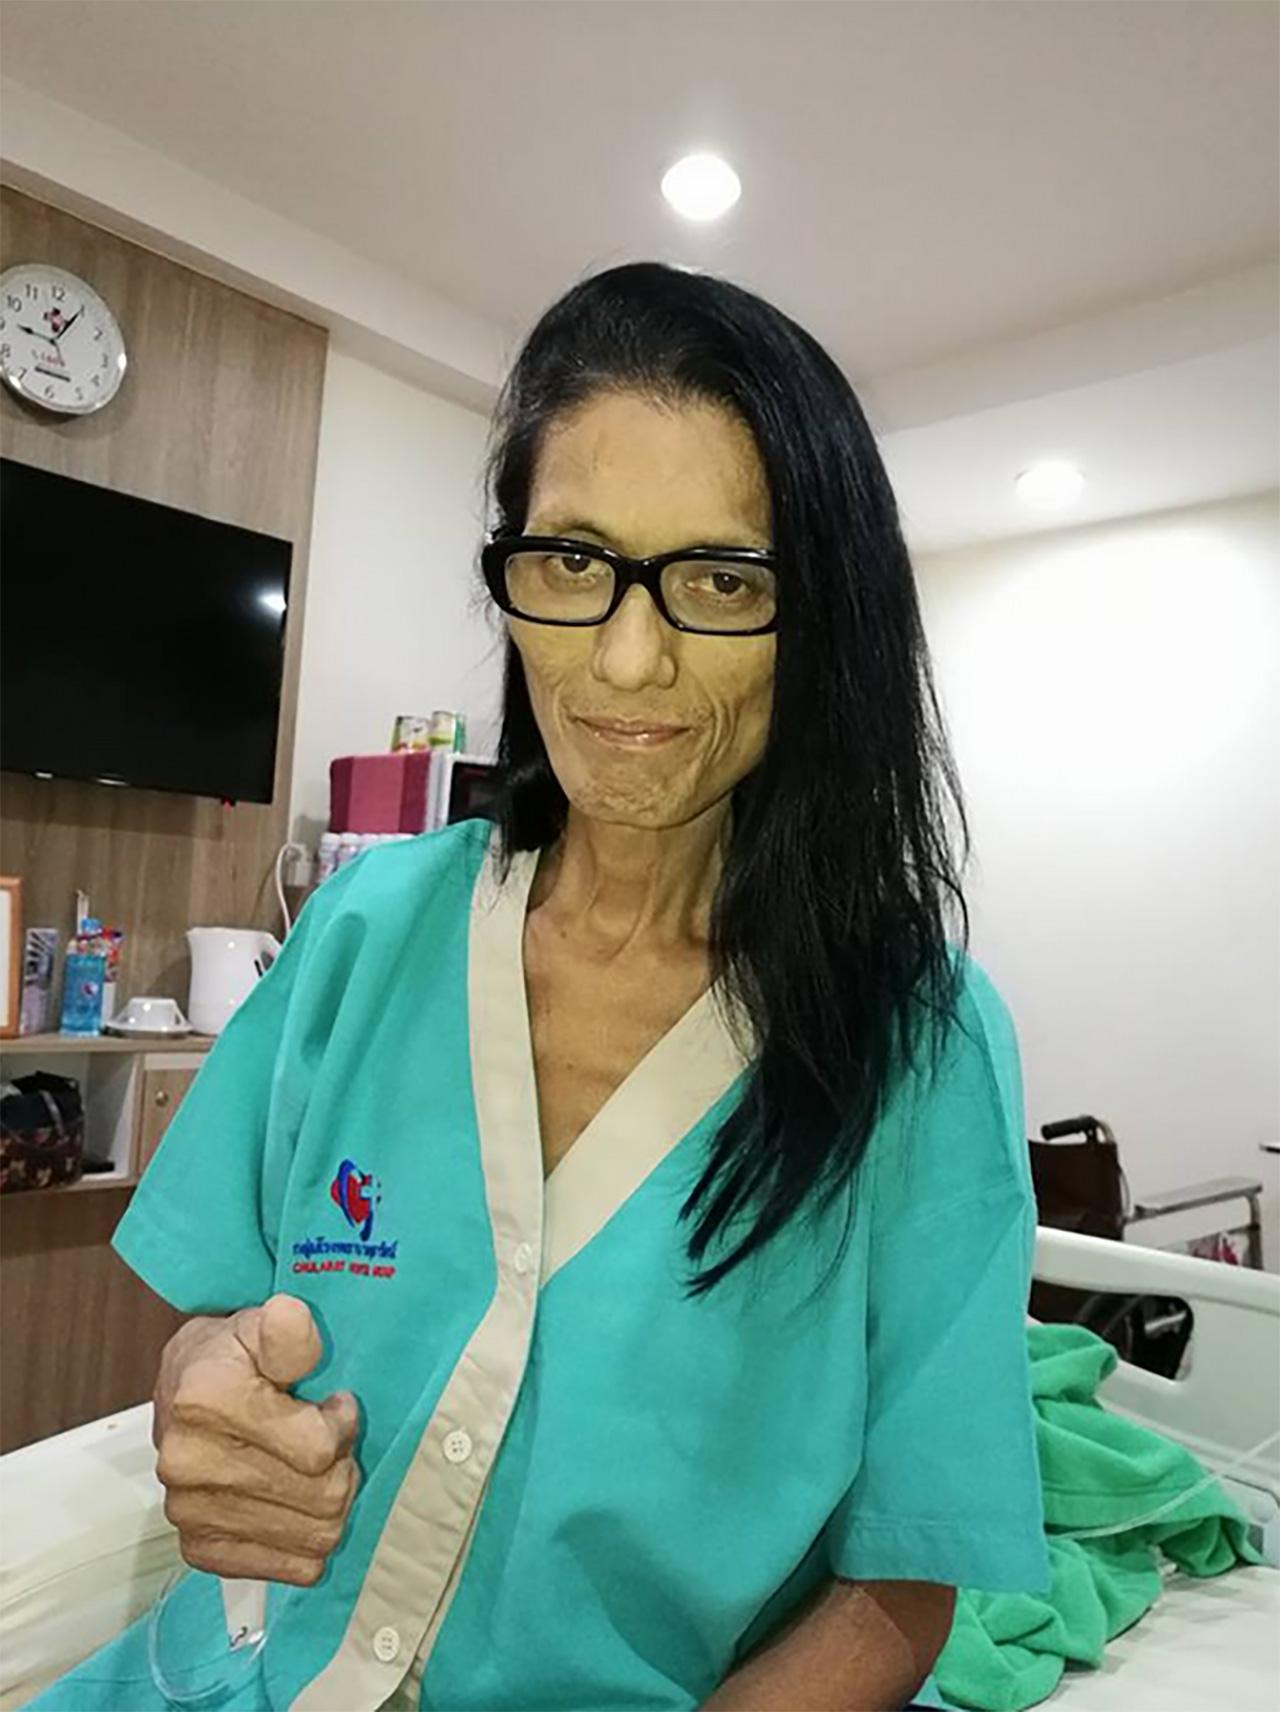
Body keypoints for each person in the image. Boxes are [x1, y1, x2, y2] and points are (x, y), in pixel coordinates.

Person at [34, 262, 1049, 1712]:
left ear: (823, 620)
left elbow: (900, 1587)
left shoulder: (919, 1045)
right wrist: (205, 1395)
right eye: (574, 561)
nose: (626, 662)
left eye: (721, 580)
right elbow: (217, 1325)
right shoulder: (368, 931)